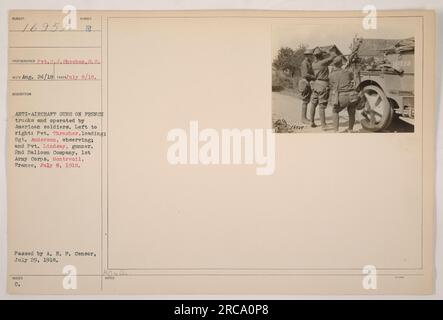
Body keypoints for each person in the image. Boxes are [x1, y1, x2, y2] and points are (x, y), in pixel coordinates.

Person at [329, 56, 366, 132]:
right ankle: (350, 129)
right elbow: (354, 77)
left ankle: (335, 131)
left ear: (334, 65)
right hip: (352, 96)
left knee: (335, 111)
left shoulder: (331, 75)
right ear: (341, 64)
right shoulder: (348, 72)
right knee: (352, 111)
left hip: (341, 97)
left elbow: (332, 86)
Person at [310, 47, 337, 129]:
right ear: (321, 55)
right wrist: (326, 51)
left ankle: (312, 122)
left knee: (313, 104)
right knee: (322, 106)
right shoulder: (323, 62)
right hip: (323, 85)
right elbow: (333, 55)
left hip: (316, 84)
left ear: (315, 56)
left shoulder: (313, 64)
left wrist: (322, 53)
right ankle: (323, 125)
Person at [298, 49, 315, 124]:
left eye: (311, 55)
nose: (311, 56)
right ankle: (303, 118)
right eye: (310, 55)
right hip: (305, 82)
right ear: (306, 55)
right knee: (305, 100)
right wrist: (314, 76)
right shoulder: (304, 63)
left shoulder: (309, 62)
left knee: (307, 100)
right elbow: (305, 74)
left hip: (308, 82)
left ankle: (304, 117)